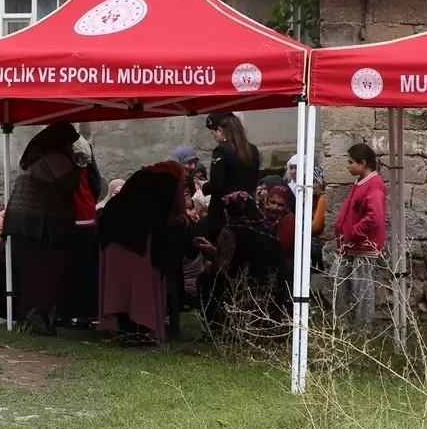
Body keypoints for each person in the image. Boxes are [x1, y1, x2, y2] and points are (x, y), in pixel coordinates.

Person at [97, 160, 187, 344]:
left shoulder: (141, 177)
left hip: (112, 233)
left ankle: (123, 326)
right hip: (139, 240)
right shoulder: (171, 181)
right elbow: (179, 213)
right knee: (141, 283)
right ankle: (142, 325)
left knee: (119, 285)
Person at [5, 123, 81, 335]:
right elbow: (71, 183)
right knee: (48, 270)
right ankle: (37, 315)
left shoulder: (36, 158)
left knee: (32, 272)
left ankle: (28, 318)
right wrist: (79, 163)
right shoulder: (55, 157)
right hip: (40, 225)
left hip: (22, 223)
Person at [195, 191, 287, 335]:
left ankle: (217, 328)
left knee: (206, 280)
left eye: (227, 207)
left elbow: (220, 269)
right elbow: (248, 256)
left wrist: (210, 264)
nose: (225, 211)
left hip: (245, 289)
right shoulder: (268, 231)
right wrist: (216, 250)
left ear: (234, 210)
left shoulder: (232, 230)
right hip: (271, 293)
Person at [332, 143, 387, 327]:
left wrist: (354, 232)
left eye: (351, 162)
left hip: (363, 245)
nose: (348, 166)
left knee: (362, 286)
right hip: (349, 244)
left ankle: (363, 328)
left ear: (362, 163)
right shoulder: (360, 182)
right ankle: (342, 324)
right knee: (339, 281)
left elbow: (375, 217)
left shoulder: (374, 184)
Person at [201, 113, 260, 241]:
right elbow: (254, 181)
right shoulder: (253, 150)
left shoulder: (221, 150)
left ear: (220, 130)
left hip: (223, 213)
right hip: (246, 213)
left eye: (213, 133)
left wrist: (203, 186)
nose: (213, 137)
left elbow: (216, 184)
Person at [67, 135, 102, 322]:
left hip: (68, 216)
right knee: (87, 265)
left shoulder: (59, 155)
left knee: (70, 266)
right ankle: (88, 312)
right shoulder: (85, 153)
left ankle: (71, 311)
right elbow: (96, 182)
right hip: (86, 214)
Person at [310, 166, 327, 272]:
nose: (312, 185)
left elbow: (315, 227)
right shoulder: (316, 198)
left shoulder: (323, 198)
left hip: (321, 243)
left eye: (314, 181)